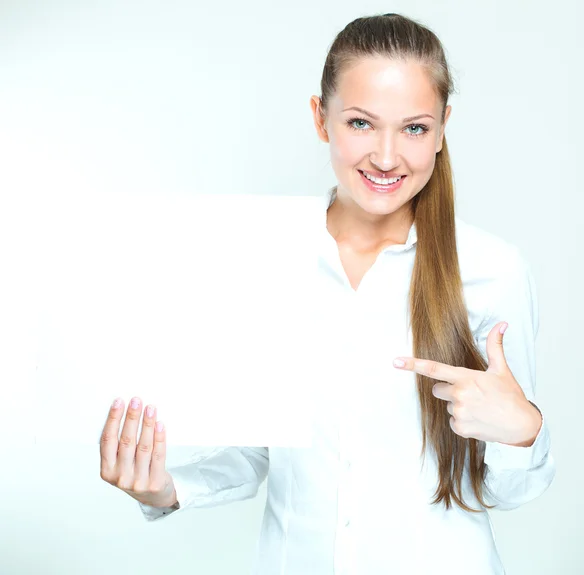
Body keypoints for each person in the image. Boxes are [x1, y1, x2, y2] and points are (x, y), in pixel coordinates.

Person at [99, 12, 555, 575]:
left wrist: (523, 431)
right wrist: (164, 488)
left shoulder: (492, 271)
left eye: (414, 128)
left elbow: (511, 490)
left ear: (441, 129)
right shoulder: (266, 261)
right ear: (321, 118)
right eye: (361, 123)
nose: (387, 157)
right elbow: (257, 450)